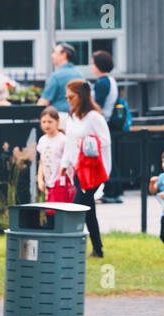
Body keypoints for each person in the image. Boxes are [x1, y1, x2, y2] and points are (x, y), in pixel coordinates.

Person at [62, 78, 110, 259]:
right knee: (88, 210)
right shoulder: (72, 116)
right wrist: (65, 164)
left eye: (71, 97)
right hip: (78, 168)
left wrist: (84, 143)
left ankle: (68, 247)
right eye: (67, 97)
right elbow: (68, 141)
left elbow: (106, 140)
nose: (68, 100)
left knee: (76, 207)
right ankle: (97, 248)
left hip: (93, 171)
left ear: (80, 96)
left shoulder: (94, 117)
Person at [91, 50, 123, 202]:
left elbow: (97, 105)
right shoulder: (111, 80)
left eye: (93, 63)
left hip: (103, 123)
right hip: (109, 122)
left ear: (98, 65)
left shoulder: (102, 83)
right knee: (111, 158)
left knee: (106, 159)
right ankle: (114, 191)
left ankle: (111, 192)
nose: (91, 66)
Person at [36, 106, 73, 203]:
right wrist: (40, 179)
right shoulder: (42, 140)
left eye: (50, 122)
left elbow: (69, 161)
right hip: (49, 183)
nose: (46, 125)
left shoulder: (63, 140)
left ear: (57, 121)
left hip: (61, 183)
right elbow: (41, 161)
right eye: (43, 122)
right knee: (50, 211)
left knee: (58, 211)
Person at [39, 43, 82, 108]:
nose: (52, 55)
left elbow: (43, 103)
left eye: (55, 53)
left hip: (59, 115)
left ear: (64, 55)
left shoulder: (55, 76)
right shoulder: (80, 75)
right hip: (78, 115)